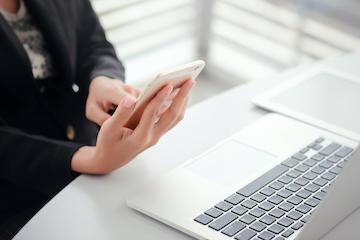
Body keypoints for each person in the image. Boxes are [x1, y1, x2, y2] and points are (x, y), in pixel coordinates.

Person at [0, 0, 194, 239]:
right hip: (16, 196)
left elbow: (95, 46)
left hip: (88, 148)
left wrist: (102, 79)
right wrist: (88, 159)